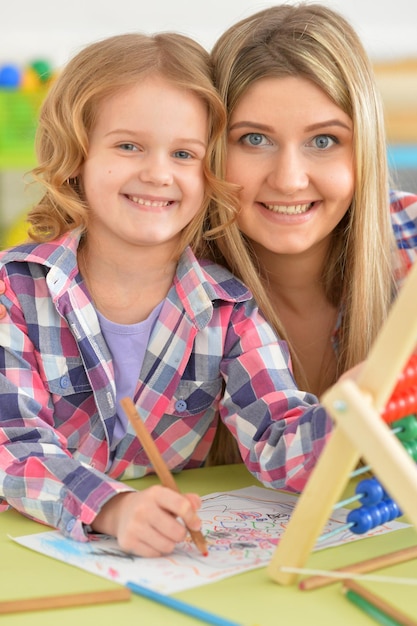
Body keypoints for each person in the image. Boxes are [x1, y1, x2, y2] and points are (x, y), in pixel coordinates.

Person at [0, 31, 336, 558]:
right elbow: (11, 442)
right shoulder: (13, 291)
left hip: (166, 568)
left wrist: (350, 416)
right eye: (129, 145)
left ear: (210, 174)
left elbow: (278, 438)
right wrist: (112, 508)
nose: (158, 173)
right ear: (76, 158)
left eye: (184, 153)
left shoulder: (229, 310)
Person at [209, 2, 417, 401]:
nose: (289, 180)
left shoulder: (409, 242)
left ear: (363, 150)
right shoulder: (170, 291)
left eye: (323, 141)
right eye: (254, 139)